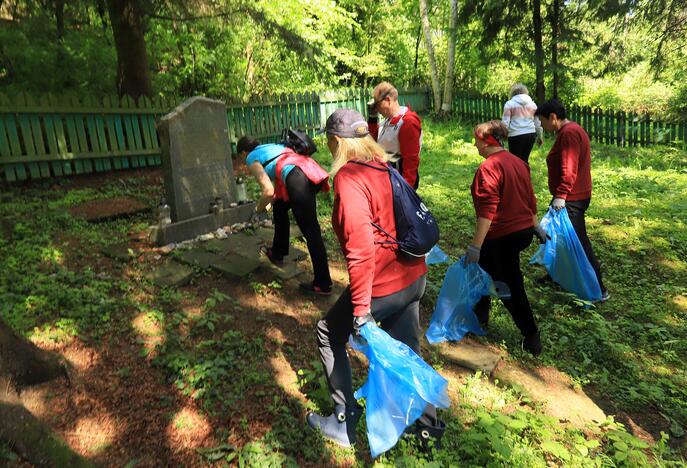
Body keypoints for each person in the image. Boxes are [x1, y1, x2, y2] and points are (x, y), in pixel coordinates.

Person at [306, 109, 445, 448]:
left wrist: (361, 308)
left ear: (336, 141)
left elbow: (361, 247)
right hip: (414, 276)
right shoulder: (382, 167)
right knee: (405, 350)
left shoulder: (350, 179)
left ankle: (342, 422)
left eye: (328, 142)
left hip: (383, 285)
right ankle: (427, 428)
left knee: (328, 334)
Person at [465, 120, 548, 355]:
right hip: (523, 232)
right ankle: (480, 314)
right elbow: (530, 198)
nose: (475, 146)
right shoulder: (518, 162)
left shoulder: (488, 168)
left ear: (487, 141)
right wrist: (535, 226)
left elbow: (487, 211)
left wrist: (475, 246)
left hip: (504, 235)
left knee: (509, 285)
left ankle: (531, 336)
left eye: (477, 141)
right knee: (484, 267)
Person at [236, 136, 332, 295]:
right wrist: (267, 207)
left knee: (312, 232)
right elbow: (274, 194)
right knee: (280, 207)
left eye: (241, 157)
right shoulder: (270, 148)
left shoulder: (252, 157)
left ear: (244, 152)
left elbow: (268, 191)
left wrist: (257, 209)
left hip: (297, 179)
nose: (243, 161)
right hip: (306, 172)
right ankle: (277, 252)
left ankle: (323, 283)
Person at [534, 99, 609, 301]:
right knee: (557, 238)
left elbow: (569, 168)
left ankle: (599, 289)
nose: (542, 125)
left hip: (571, 198)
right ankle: (556, 276)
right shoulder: (570, 130)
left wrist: (561, 195)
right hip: (570, 195)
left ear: (553, 117)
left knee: (579, 243)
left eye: (543, 121)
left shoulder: (569, 134)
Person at [367, 81, 422, 189]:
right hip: (386, 179)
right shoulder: (388, 120)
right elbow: (372, 144)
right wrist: (372, 118)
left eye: (377, 105)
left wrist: (406, 191)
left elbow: (411, 161)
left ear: (388, 100)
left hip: (398, 183)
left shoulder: (407, 122)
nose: (376, 109)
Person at [501, 83, 543, 163]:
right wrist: (540, 136)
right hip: (530, 135)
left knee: (515, 161)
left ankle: (517, 175)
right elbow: (537, 123)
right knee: (525, 159)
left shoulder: (509, 104)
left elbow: (504, 123)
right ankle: (526, 175)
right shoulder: (533, 105)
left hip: (515, 135)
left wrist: (503, 136)